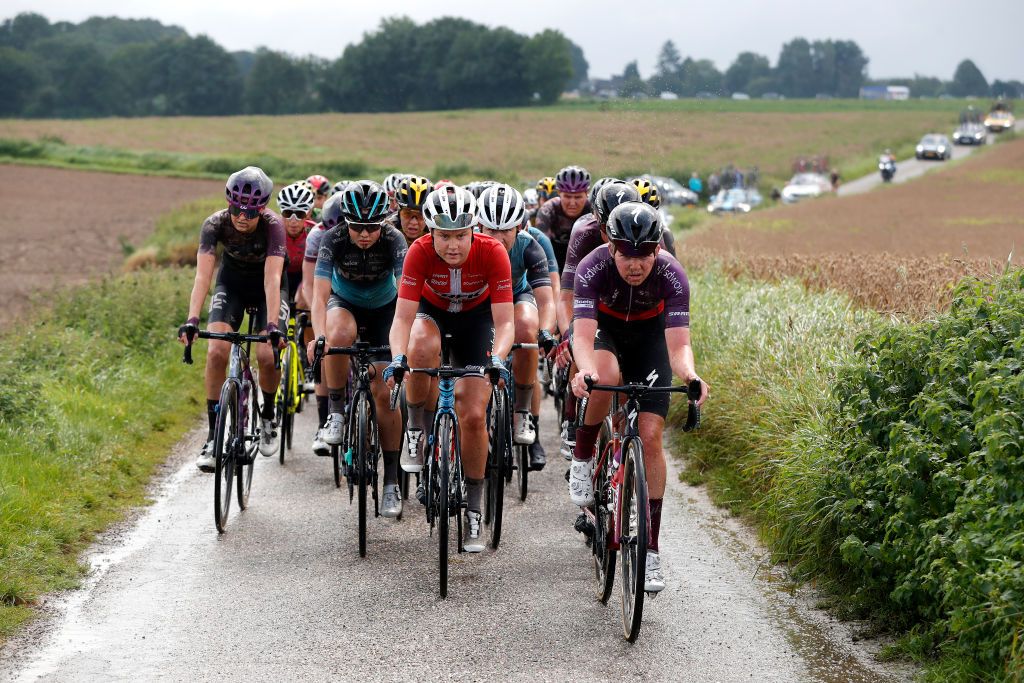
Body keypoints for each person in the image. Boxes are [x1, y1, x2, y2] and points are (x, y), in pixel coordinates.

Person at [569, 201, 709, 593]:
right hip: (605, 332)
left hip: (649, 339)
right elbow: (581, 336)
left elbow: (678, 345)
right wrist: (584, 370)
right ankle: (582, 455)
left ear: (658, 250)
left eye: (644, 255)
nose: (636, 264)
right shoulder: (592, 267)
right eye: (627, 255)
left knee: (650, 435)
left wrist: (690, 374)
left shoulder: (672, 274)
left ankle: (650, 550)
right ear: (611, 247)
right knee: (605, 376)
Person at [383, 186, 514, 552]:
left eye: (460, 235)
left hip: (477, 321)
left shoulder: (493, 252)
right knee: (421, 345)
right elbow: (403, 318)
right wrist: (398, 358)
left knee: (473, 415)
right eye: (444, 236)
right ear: (430, 231)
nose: (453, 245)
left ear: (474, 230)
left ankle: (474, 508)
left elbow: (505, 322)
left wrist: (498, 359)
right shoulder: (419, 251)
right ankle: (414, 430)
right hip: (433, 313)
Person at [177, 166, 287, 471]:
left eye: (251, 212)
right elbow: (203, 276)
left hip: (267, 285)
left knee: (266, 354)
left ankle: (267, 418)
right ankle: (213, 437)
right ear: (229, 204)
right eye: (237, 209)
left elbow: (273, 278)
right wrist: (192, 319)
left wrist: (273, 326)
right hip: (233, 283)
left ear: (262, 209)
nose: (243, 216)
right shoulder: (214, 224)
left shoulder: (273, 225)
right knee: (216, 352)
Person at [309, 181, 408, 518]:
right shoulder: (332, 239)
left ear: (383, 223)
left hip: (384, 308)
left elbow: (407, 292)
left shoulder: (395, 239)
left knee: (385, 390)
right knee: (336, 336)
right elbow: (319, 294)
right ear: (345, 223)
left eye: (371, 228)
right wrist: (319, 336)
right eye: (357, 228)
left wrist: (402, 347)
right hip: (345, 302)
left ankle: (392, 481)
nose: (364, 235)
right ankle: (336, 412)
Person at [476, 184, 556, 470]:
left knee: (526, 328)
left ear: (520, 226)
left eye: (506, 230)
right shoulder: (467, 246)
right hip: (480, 302)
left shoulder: (529, 245)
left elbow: (546, 301)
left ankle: (523, 410)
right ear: (478, 227)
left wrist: (546, 331)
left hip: (515, 296)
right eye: (490, 231)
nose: (497, 238)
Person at [534, 165, 591, 270]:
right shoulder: (548, 210)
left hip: (586, 261)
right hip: (553, 258)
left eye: (578, 197)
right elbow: (539, 250)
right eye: (567, 197)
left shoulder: (593, 210)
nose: (572, 203)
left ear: (587, 193)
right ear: (559, 193)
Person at [277, 182, 317, 308]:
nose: (293, 221)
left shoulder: (315, 232)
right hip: (280, 274)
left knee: (302, 302)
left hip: (304, 276)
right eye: (288, 213)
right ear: (281, 213)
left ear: (309, 213)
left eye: (300, 214)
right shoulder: (273, 229)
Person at [394, 175, 433, 246]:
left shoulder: (437, 233)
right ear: (399, 213)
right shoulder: (384, 231)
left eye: (421, 215)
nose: (414, 222)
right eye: (407, 214)